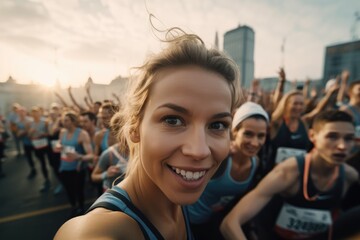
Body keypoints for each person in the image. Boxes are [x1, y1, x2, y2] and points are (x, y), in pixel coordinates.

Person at [54, 27, 241, 239]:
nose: (198, 151)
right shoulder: (101, 231)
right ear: (134, 126)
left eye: (217, 125)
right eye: (173, 120)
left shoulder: (176, 200)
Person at [220, 110, 359, 240]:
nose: (342, 146)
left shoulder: (350, 177)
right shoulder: (288, 172)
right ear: (312, 136)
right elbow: (230, 223)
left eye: (348, 139)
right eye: (332, 136)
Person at [187, 101, 269, 239]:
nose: (255, 143)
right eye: (248, 134)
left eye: (261, 136)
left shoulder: (256, 163)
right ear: (234, 132)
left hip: (214, 223)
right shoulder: (220, 158)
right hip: (187, 221)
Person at [56, 111, 94, 217]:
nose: (63, 122)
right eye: (63, 120)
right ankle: (73, 207)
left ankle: (81, 209)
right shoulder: (62, 132)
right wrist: (59, 145)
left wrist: (78, 156)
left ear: (73, 121)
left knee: (79, 191)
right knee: (68, 190)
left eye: (66, 120)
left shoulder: (82, 134)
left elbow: (91, 155)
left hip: (77, 169)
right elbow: (60, 142)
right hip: (64, 167)